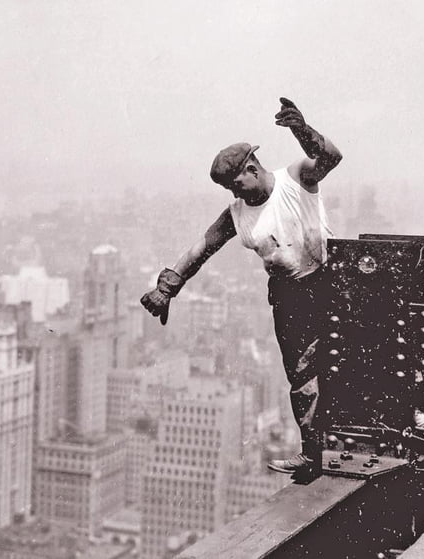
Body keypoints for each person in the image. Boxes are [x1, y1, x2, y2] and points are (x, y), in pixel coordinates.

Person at [141, 97, 342, 478]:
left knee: (343, 365)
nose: (236, 195)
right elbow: (203, 247)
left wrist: (302, 129)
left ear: (252, 168)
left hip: (329, 285)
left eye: (237, 185)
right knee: (301, 376)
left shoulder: (295, 179)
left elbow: (331, 158)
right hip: (288, 295)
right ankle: (314, 453)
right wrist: (168, 286)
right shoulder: (237, 213)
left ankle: (342, 445)